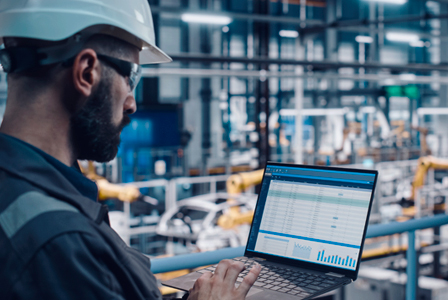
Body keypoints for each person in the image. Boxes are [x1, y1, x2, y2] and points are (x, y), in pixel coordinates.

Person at [0, 0, 260, 299]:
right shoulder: (59, 241)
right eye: (130, 78)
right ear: (87, 72)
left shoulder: (35, 194)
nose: (132, 104)